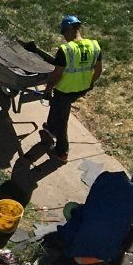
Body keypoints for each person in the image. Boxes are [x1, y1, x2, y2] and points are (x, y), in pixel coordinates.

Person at [34, 15, 102, 159]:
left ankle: (61, 151)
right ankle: (51, 127)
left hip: (65, 90)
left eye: (63, 32)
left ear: (69, 30)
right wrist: (89, 83)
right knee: (57, 105)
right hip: (82, 88)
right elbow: (98, 70)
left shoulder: (66, 50)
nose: (64, 36)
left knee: (62, 119)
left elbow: (57, 74)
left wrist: (48, 89)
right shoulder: (94, 46)